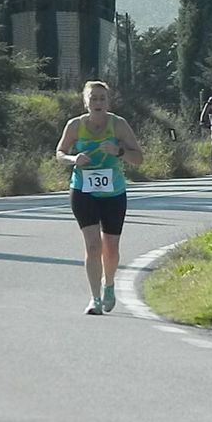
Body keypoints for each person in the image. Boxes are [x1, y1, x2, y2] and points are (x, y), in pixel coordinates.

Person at [56, 81, 143, 315]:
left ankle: (109, 285)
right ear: (86, 102)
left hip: (113, 192)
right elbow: (60, 153)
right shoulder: (75, 126)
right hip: (83, 190)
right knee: (93, 246)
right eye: (93, 98)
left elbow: (139, 158)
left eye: (102, 99)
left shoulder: (118, 125)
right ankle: (94, 298)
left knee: (110, 248)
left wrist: (119, 151)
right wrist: (73, 160)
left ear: (108, 102)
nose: (97, 103)